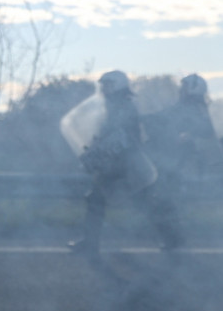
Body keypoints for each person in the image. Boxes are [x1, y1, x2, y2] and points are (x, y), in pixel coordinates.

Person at [67, 70, 182, 257]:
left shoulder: (124, 107)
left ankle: (172, 238)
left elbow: (122, 138)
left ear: (118, 86)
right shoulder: (113, 106)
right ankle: (90, 243)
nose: (104, 89)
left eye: (108, 85)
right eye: (103, 85)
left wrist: (98, 152)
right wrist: (94, 150)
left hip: (128, 166)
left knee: (145, 203)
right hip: (116, 165)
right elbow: (107, 136)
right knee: (97, 199)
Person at [143, 74, 223, 228]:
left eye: (184, 87)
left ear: (194, 89)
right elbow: (165, 115)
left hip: (185, 163)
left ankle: (174, 227)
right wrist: (147, 118)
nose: (181, 90)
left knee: (167, 192)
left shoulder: (199, 111)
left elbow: (205, 131)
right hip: (173, 160)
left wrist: (189, 136)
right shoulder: (181, 107)